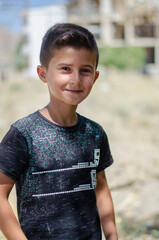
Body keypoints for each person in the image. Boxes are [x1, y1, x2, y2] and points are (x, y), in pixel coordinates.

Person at [0, 23, 118, 240]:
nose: (75, 79)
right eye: (65, 69)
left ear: (95, 77)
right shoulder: (23, 134)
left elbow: (100, 185)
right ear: (43, 74)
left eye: (85, 70)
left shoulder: (95, 133)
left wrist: (112, 235)